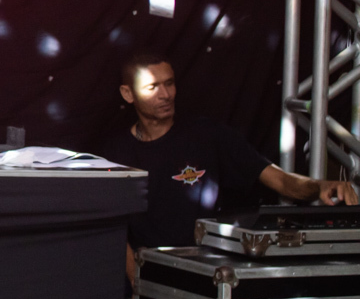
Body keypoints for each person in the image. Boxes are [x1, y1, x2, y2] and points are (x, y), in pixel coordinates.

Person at [104, 52, 359, 285]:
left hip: (207, 274)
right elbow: (113, 229)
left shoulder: (207, 135)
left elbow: (280, 181)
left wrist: (320, 186)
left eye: (169, 83)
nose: (166, 95)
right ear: (128, 94)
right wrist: (138, 282)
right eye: (152, 87)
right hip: (149, 275)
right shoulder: (116, 155)